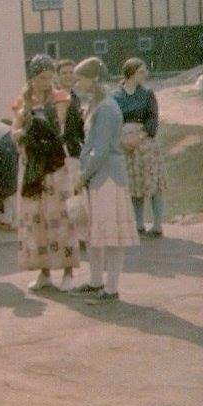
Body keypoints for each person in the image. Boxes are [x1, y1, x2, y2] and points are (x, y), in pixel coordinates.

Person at [72, 57, 139, 304]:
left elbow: (100, 150)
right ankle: (95, 281)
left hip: (107, 177)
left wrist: (83, 176)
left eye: (80, 78)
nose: (77, 82)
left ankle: (111, 289)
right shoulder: (96, 105)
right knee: (95, 232)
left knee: (110, 234)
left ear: (94, 79)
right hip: (98, 178)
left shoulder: (108, 108)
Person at [12, 54, 80, 292]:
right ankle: (44, 273)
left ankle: (68, 272)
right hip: (33, 165)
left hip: (54, 165)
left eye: (50, 77)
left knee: (60, 218)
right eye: (42, 77)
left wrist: (29, 130)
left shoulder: (60, 97)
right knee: (36, 219)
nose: (47, 82)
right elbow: (15, 131)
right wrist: (21, 134)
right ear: (32, 78)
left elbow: (57, 130)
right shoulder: (23, 101)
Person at [112, 58, 166, 238]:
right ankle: (139, 224)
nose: (146, 75)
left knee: (153, 184)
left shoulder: (148, 93)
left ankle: (158, 225)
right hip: (126, 145)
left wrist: (139, 136)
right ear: (131, 73)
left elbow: (153, 118)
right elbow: (112, 121)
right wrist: (123, 139)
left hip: (146, 144)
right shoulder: (116, 96)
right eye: (142, 72)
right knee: (135, 186)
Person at [55, 58, 87, 245]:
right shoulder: (56, 97)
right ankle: (68, 236)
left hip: (76, 149)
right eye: (64, 73)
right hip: (62, 151)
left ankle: (78, 235)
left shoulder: (74, 96)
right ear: (57, 76)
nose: (68, 76)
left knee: (75, 193)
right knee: (65, 194)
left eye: (70, 72)